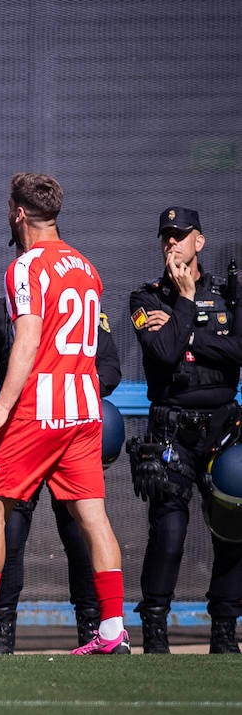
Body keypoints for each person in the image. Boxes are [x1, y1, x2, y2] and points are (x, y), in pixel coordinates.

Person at [0, 173, 129, 656]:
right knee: (94, 516)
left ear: (17, 211)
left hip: (39, 408)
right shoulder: (87, 267)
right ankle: (113, 630)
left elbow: (29, 340)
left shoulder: (25, 267)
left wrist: (0, 408)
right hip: (84, 408)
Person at [0, 286, 123, 652]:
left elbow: (110, 368)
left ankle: (96, 630)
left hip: (68, 432)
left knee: (83, 530)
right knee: (8, 532)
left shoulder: (81, 307)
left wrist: (64, 390)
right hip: (20, 437)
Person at [128, 206, 242, 654]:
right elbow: (160, 352)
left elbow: (239, 351)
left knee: (232, 529)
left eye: (181, 235)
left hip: (223, 429)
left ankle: (224, 629)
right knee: (169, 532)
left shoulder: (230, 293)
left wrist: (190, 336)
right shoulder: (146, 297)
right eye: (166, 236)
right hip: (171, 429)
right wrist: (186, 301)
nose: (172, 242)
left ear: (200, 241)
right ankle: (155, 626)